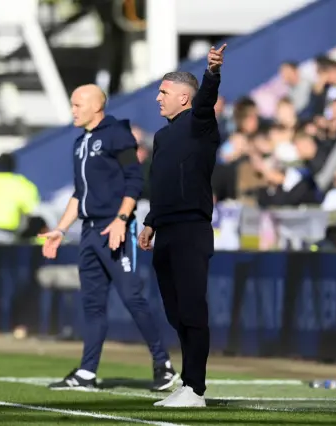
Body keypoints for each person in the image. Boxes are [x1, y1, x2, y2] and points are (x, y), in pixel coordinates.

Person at [39, 84, 178, 392]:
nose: (73, 110)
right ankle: (87, 372)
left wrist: (120, 220)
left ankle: (163, 365)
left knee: (131, 296)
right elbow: (80, 194)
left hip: (114, 228)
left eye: (78, 104)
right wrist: (61, 229)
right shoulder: (79, 143)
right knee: (92, 303)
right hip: (88, 231)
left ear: (96, 107)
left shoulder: (117, 134)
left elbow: (134, 181)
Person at [138, 44, 226, 408]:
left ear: (185, 98)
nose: (158, 98)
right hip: (167, 229)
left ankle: (196, 389)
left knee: (191, 309)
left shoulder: (200, 123)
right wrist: (150, 223)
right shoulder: (161, 137)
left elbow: (207, 100)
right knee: (176, 312)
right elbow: (160, 184)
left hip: (192, 228)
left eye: (164, 92)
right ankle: (188, 383)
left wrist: (212, 72)